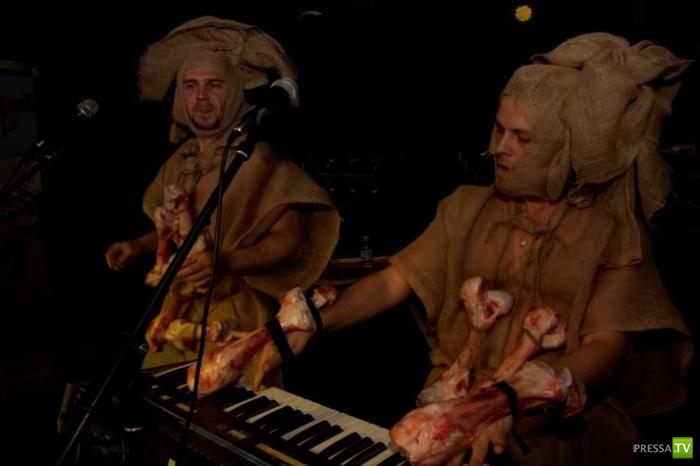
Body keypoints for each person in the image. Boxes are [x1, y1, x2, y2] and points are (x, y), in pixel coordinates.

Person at [255, 32, 693, 465]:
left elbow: (607, 347)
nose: (500, 148)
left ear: (564, 147)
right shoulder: (466, 208)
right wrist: (312, 323)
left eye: (521, 137)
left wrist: (507, 401)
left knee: (676, 452)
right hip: (451, 415)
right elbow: (393, 282)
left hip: (556, 433)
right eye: (499, 129)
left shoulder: (611, 232)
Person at [105, 17, 340, 384]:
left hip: (234, 320)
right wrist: (139, 246)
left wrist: (225, 260)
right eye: (190, 85)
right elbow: (179, 230)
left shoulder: (258, 161)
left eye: (214, 85)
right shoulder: (179, 161)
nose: (201, 97)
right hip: (176, 316)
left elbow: (289, 241)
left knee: (228, 410)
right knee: (164, 404)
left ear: (234, 93)